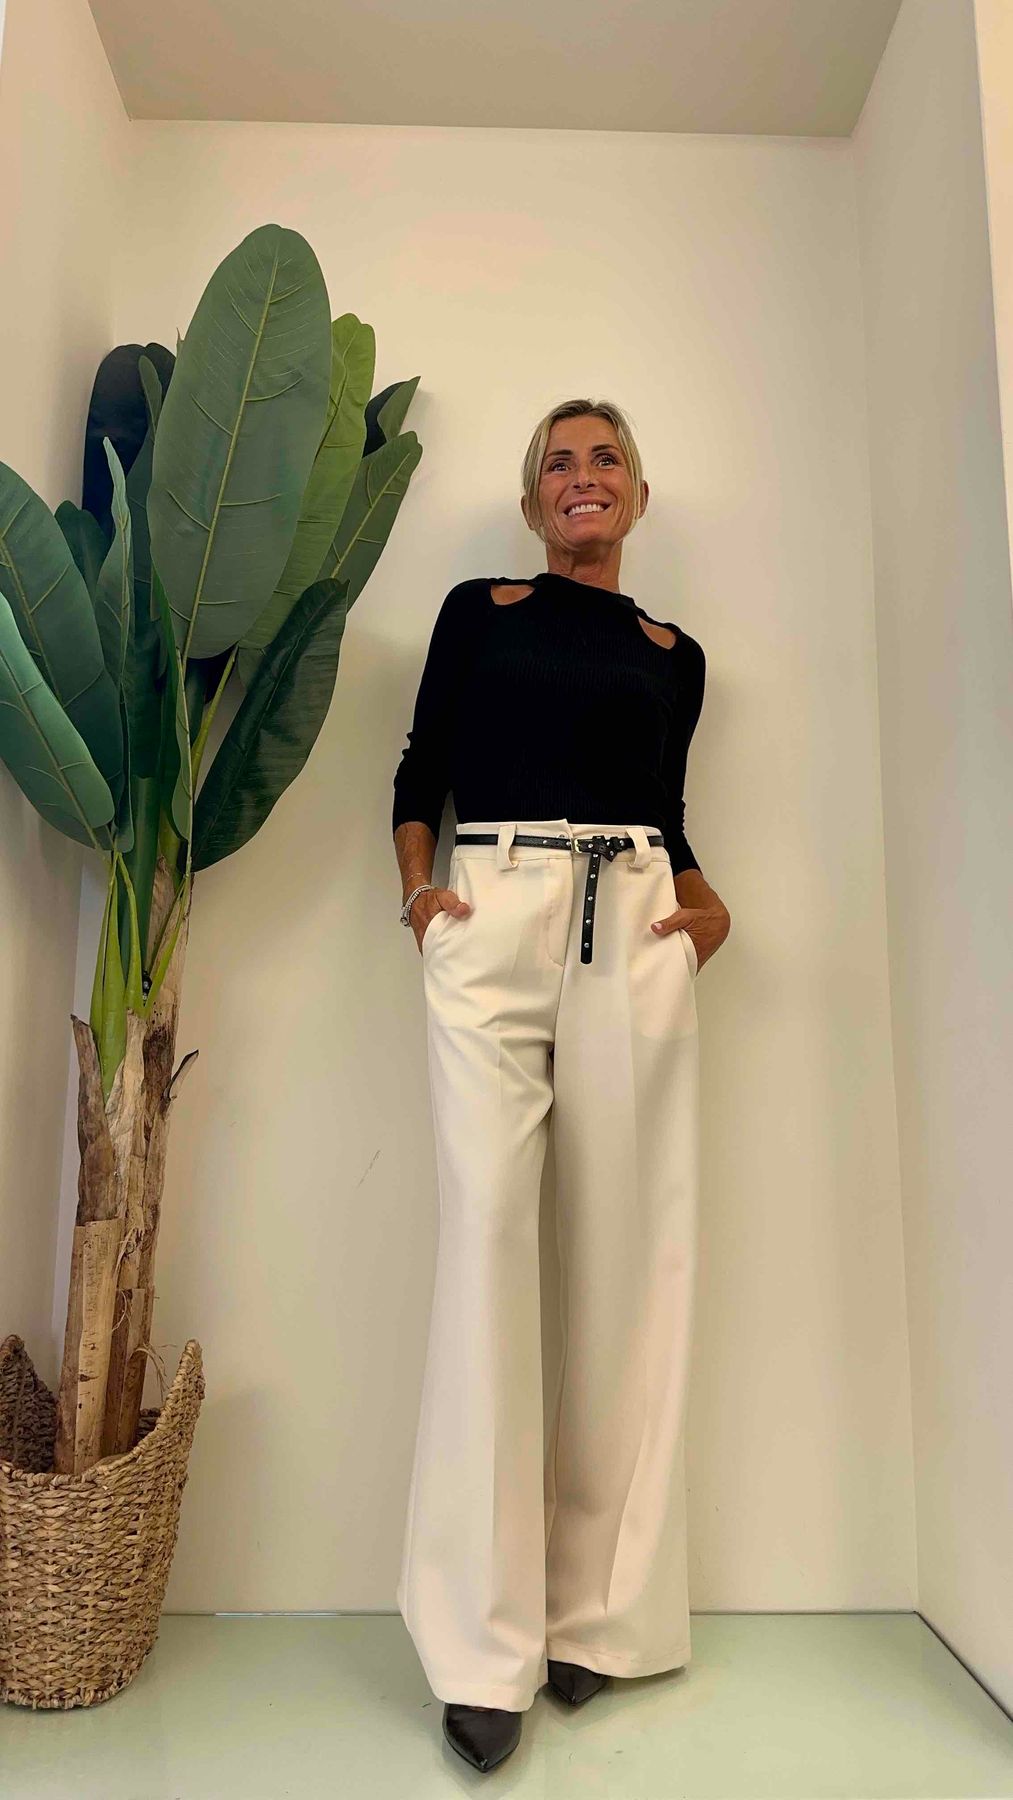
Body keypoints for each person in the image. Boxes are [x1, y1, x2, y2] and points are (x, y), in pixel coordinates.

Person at [391, 398, 731, 1772]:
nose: (581, 477)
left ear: (636, 495)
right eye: (557, 462)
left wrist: (705, 908)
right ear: (534, 502)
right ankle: (482, 1648)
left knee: (628, 1261)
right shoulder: (481, 611)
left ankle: (600, 1617)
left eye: (604, 460)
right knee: (485, 1242)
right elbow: (420, 770)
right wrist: (421, 895)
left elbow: (670, 809)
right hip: (493, 913)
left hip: (634, 923)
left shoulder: (675, 655)